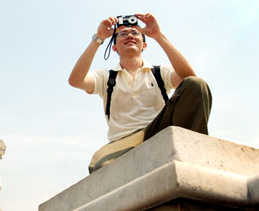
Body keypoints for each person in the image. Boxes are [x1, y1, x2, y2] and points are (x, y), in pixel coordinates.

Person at [68, 13, 212, 172]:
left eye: (135, 33)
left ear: (144, 45)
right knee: (98, 166)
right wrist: (99, 38)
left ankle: (193, 153)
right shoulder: (106, 77)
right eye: (122, 34)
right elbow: (75, 80)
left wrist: (158, 36)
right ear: (115, 47)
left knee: (196, 84)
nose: (129, 35)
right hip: (123, 141)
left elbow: (189, 78)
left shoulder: (159, 72)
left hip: (157, 131)